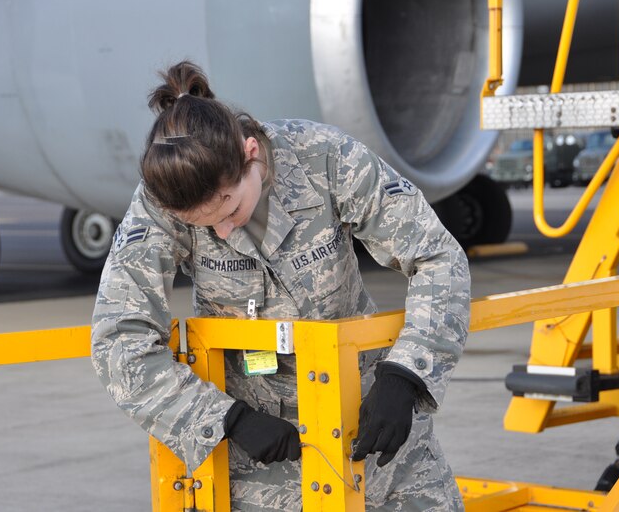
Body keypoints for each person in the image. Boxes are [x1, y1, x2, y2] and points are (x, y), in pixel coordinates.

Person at [91, 61, 470, 511]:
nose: (225, 233)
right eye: (204, 227)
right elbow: (119, 339)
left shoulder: (325, 158)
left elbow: (437, 256)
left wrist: (407, 374)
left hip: (370, 421)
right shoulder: (161, 202)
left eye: (230, 209)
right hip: (260, 453)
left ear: (251, 152)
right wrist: (223, 419)